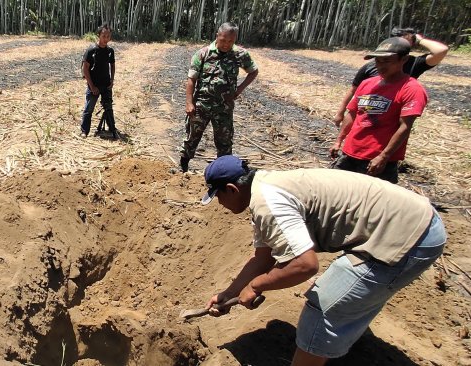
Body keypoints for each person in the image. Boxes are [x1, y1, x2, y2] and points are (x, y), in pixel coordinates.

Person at [199, 155, 446, 366]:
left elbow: (305, 265)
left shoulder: (269, 203)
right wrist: (229, 293)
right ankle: (334, 346)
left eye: (218, 196)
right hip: (408, 222)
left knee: (324, 305)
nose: (220, 204)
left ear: (232, 189)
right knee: (344, 300)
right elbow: (263, 258)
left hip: (410, 236)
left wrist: (255, 286)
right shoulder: (265, 187)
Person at [329, 37, 428, 183]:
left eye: (387, 61)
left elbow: (405, 126)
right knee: (336, 192)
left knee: (371, 201)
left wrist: (384, 156)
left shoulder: (412, 89)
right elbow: (353, 113)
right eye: (378, 61)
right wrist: (339, 141)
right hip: (350, 152)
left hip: (377, 159)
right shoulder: (367, 83)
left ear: (404, 59)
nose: (380, 66)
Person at [179, 22, 258, 172]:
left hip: (224, 108)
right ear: (217, 36)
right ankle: (183, 167)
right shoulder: (203, 53)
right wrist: (189, 103)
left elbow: (253, 71)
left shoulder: (240, 54)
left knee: (224, 141)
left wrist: (239, 89)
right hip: (202, 105)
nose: (226, 44)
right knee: (192, 137)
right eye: (223, 40)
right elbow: (191, 80)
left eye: (230, 41)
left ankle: (222, 173)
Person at [333, 27, 448, 127]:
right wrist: (340, 112)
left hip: (392, 119)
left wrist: (419, 39)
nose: (382, 65)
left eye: (407, 41)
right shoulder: (370, 66)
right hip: (367, 114)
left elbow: (441, 50)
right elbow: (353, 90)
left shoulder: (413, 63)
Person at [80, 23, 117, 139]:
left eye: (108, 36)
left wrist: (112, 80)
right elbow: (85, 69)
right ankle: (84, 131)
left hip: (106, 85)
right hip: (94, 85)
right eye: (104, 36)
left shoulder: (110, 51)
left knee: (108, 107)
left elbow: (112, 65)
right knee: (89, 109)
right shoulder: (91, 50)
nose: (106, 39)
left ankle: (112, 128)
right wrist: (92, 86)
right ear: (99, 36)